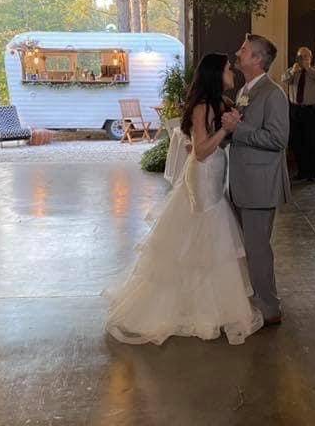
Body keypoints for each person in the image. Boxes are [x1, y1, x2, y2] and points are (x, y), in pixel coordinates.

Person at [105, 53, 265, 345]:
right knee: (204, 235)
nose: (233, 72)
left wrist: (228, 128)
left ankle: (208, 304)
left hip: (214, 173)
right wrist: (225, 130)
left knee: (209, 239)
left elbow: (201, 145)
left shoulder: (221, 103)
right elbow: (202, 151)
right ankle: (195, 308)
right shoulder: (203, 107)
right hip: (203, 176)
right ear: (217, 74)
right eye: (229, 69)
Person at [223, 34, 290, 327]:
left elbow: (278, 139)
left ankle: (270, 309)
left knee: (258, 250)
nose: (238, 53)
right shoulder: (245, 90)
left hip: (261, 185)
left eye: (244, 50)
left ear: (257, 60)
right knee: (249, 248)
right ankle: (256, 300)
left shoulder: (273, 93)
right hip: (242, 183)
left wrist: (238, 129)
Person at [281, 46, 315, 184]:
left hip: (310, 111)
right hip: (295, 110)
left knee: (310, 142)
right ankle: (301, 171)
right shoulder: (294, 71)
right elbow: (284, 79)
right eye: (301, 57)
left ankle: (312, 173)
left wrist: (307, 68)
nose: (303, 59)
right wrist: (293, 72)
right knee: (296, 142)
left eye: (306, 56)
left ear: (310, 58)